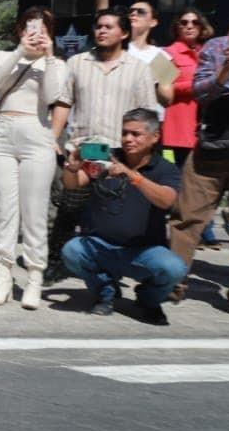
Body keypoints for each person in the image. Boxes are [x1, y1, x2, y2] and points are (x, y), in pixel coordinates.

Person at [46, 8, 157, 281]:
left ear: (124, 33)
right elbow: (63, 102)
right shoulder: (77, 62)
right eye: (98, 26)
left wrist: (142, 152)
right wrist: (52, 137)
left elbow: (146, 113)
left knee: (108, 212)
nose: (102, 31)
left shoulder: (139, 69)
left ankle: (107, 268)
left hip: (118, 152)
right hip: (83, 146)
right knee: (69, 205)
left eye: (109, 27)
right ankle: (56, 262)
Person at [60, 109, 186, 325]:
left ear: (155, 137)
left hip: (144, 250)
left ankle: (148, 300)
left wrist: (131, 175)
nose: (128, 139)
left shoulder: (166, 168)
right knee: (72, 250)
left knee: (174, 268)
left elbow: (167, 200)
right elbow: (72, 185)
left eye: (136, 134)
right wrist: (72, 168)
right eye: (125, 133)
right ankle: (105, 292)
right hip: (102, 245)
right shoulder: (107, 158)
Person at [169, 0, 229, 319]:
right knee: (186, 220)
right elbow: (200, 93)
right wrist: (227, 71)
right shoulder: (217, 47)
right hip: (210, 152)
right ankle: (171, 283)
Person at [0, 7, 66, 308]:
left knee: (34, 211)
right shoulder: (0, 55)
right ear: (20, 30)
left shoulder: (55, 63)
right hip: (3, 130)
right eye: (31, 27)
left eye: (43, 29)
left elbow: (53, 96)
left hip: (37, 132)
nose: (36, 34)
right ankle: (3, 275)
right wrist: (21, 51)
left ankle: (34, 277)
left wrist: (48, 55)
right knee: (5, 210)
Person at [161, 9, 220, 247]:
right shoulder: (164, 54)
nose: (189, 26)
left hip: (209, 126)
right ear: (176, 26)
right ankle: (197, 230)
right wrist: (199, 83)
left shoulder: (210, 52)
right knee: (186, 182)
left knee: (210, 181)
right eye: (184, 22)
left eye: (195, 22)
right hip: (178, 127)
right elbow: (163, 89)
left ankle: (206, 227)